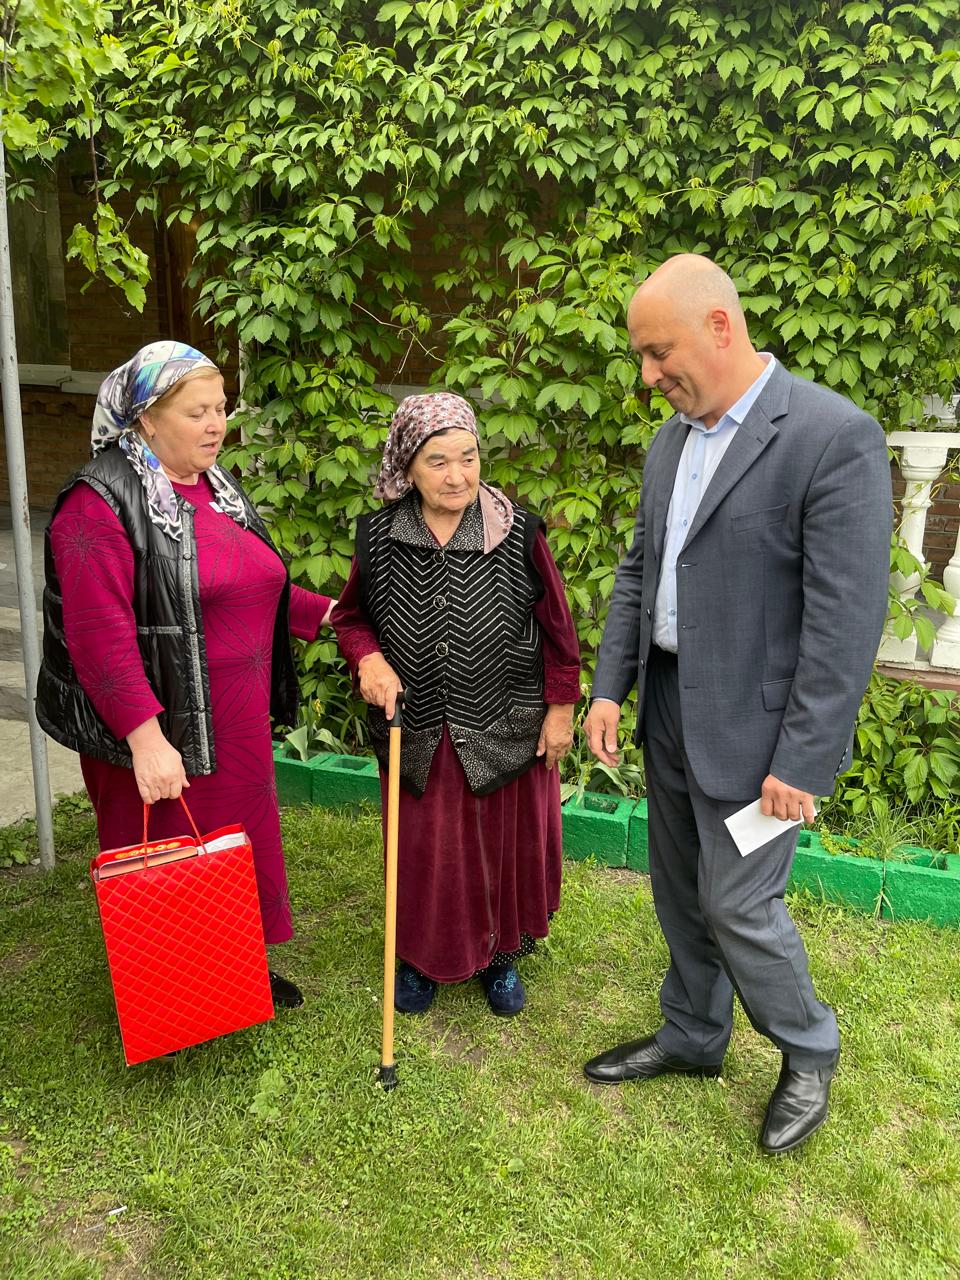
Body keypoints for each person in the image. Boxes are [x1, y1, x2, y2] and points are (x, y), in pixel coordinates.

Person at [582, 254, 892, 1154]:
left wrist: (803, 759)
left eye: (657, 352)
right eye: (641, 357)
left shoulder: (832, 436)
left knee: (740, 904)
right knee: (681, 890)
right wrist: (611, 688)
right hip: (674, 704)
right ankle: (693, 1033)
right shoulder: (672, 441)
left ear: (720, 326)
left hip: (760, 734)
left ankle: (808, 1048)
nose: (648, 376)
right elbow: (642, 571)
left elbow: (844, 620)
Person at [37, 341, 336, 1009]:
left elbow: (255, 582)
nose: (215, 424)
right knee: (168, 858)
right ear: (145, 417)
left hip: (234, 716)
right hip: (160, 721)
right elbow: (97, 635)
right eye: (197, 411)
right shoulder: (98, 504)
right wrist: (145, 739)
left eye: (221, 408)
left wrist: (335, 616)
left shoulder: (216, 487)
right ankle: (174, 999)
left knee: (229, 848)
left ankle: (235, 970)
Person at [332, 392, 580, 1016]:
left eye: (468, 458)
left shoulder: (516, 531)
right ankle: (418, 957)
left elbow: (558, 630)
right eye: (438, 461)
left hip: (504, 721)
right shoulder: (381, 535)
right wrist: (368, 658)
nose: (457, 475)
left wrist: (559, 709)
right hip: (416, 727)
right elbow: (352, 618)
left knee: (499, 846)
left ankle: (499, 955)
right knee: (425, 851)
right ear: (407, 467)